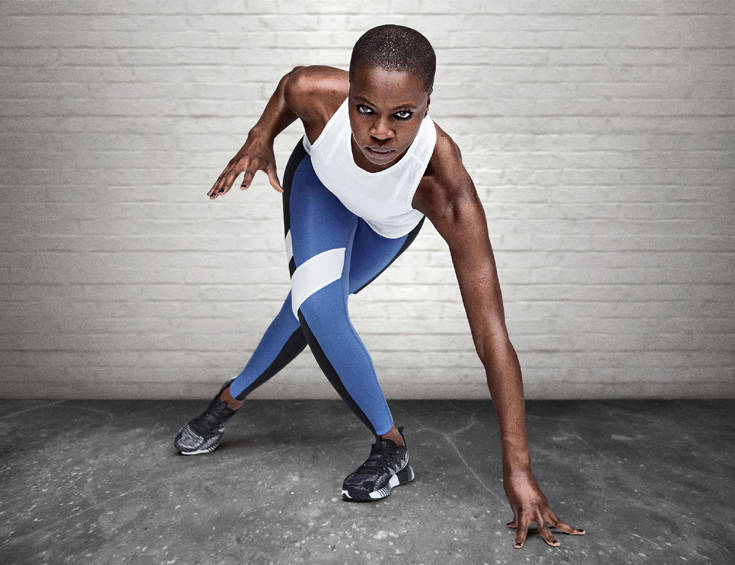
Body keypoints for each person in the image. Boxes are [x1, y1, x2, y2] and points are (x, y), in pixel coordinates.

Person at [174, 24, 586, 549]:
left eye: (403, 115)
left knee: (308, 304)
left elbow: (492, 338)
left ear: (428, 104)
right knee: (317, 306)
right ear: (349, 91)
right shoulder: (317, 94)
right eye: (365, 109)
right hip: (321, 187)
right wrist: (260, 137)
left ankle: (228, 400)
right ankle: (391, 445)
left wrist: (519, 470)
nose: (380, 132)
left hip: (386, 224)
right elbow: (290, 86)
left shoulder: (444, 185)